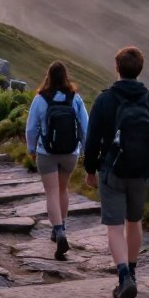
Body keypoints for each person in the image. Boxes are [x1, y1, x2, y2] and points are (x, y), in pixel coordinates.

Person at [85, 46, 149, 298]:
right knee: (134, 221)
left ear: (117, 68)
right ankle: (132, 271)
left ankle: (123, 276)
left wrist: (90, 169)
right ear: (140, 69)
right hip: (142, 171)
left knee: (114, 225)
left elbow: (92, 140)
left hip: (112, 170)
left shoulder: (105, 100)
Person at [26, 61, 88, 261]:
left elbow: (31, 128)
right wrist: (85, 150)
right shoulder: (75, 98)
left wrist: (31, 149)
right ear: (66, 77)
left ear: (49, 76)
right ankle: (63, 227)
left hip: (47, 152)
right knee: (63, 190)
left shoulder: (40, 99)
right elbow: (85, 127)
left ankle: (58, 230)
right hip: (70, 152)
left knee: (51, 192)